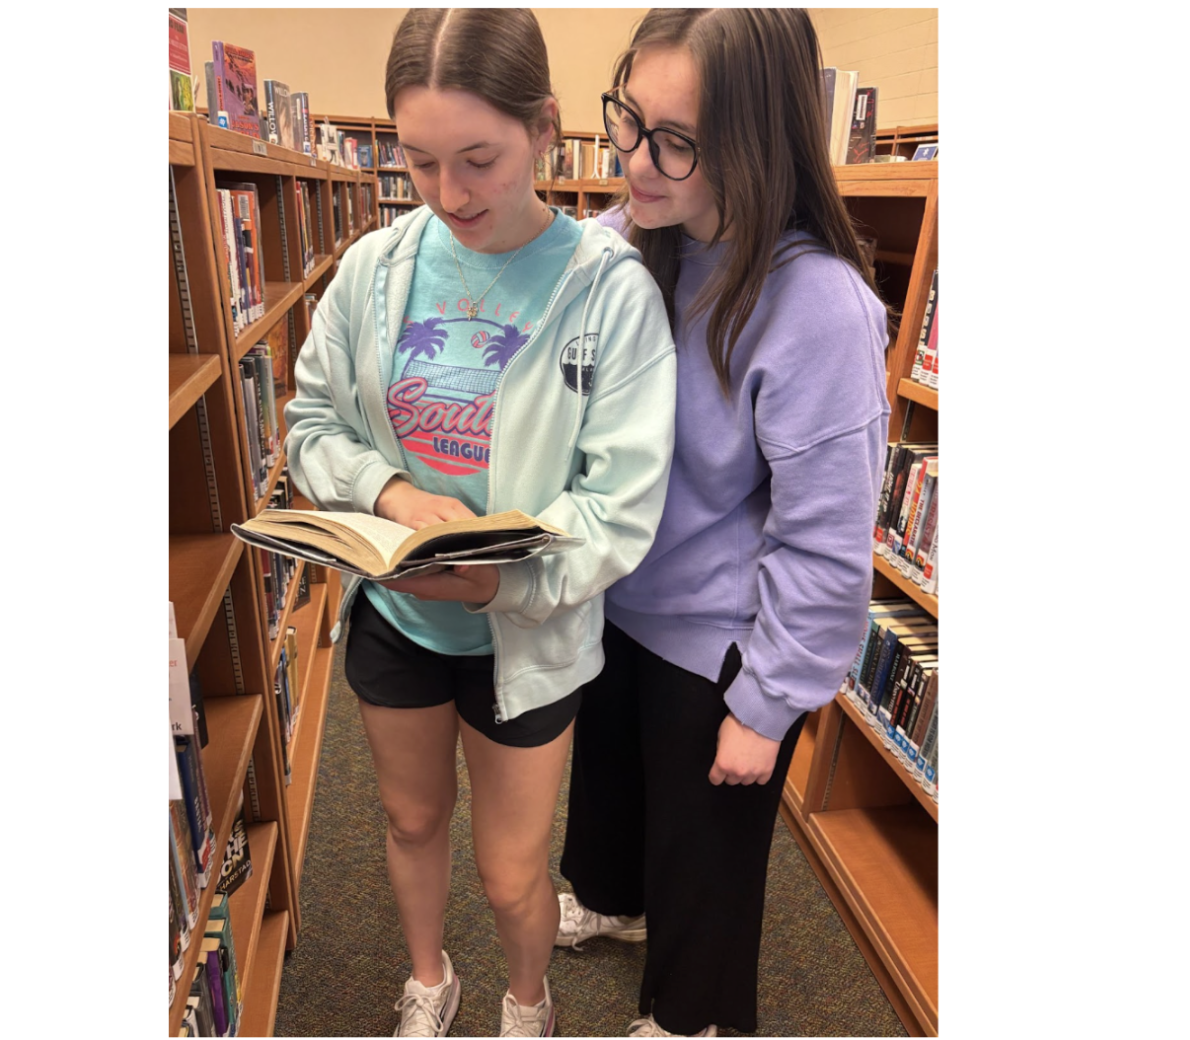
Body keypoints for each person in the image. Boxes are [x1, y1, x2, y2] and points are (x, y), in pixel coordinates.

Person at [283, 9, 678, 1037]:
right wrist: (392, 495)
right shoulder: (373, 269)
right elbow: (313, 417)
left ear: (546, 129)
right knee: (410, 818)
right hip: (396, 618)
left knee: (511, 873)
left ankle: (527, 998)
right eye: (418, 160)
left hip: (526, 635)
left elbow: (618, 504)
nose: (450, 194)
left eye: (480, 159)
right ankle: (431, 979)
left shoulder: (611, 293)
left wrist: (502, 580)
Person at [556, 9, 892, 1037]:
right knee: (613, 791)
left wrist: (769, 701)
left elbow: (827, 541)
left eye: (677, 142)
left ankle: (688, 1015)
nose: (634, 161)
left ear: (756, 144)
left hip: (719, 639)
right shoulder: (624, 244)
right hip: (618, 597)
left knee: (707, 853)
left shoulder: (818, 307)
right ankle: (616, 902)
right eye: (628, 118)